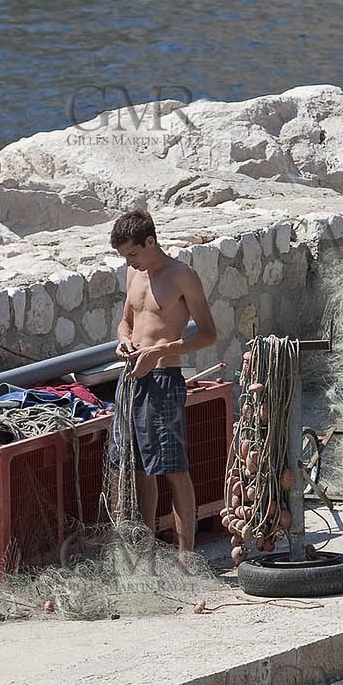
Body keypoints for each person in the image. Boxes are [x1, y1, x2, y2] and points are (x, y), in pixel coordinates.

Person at [108, 209, 217, 554]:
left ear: (150, 242)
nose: (129, 261)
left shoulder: (183, 276)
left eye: (133, 253)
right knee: (140, 468)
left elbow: (208, 333)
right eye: (125, 256)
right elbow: (126, 322)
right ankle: (146, 550)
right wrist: (123, 340)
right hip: (131, 378)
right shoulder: (132, 273)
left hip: (164, 379)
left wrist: (160, 351)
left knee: (173, 468)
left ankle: (186, 558)